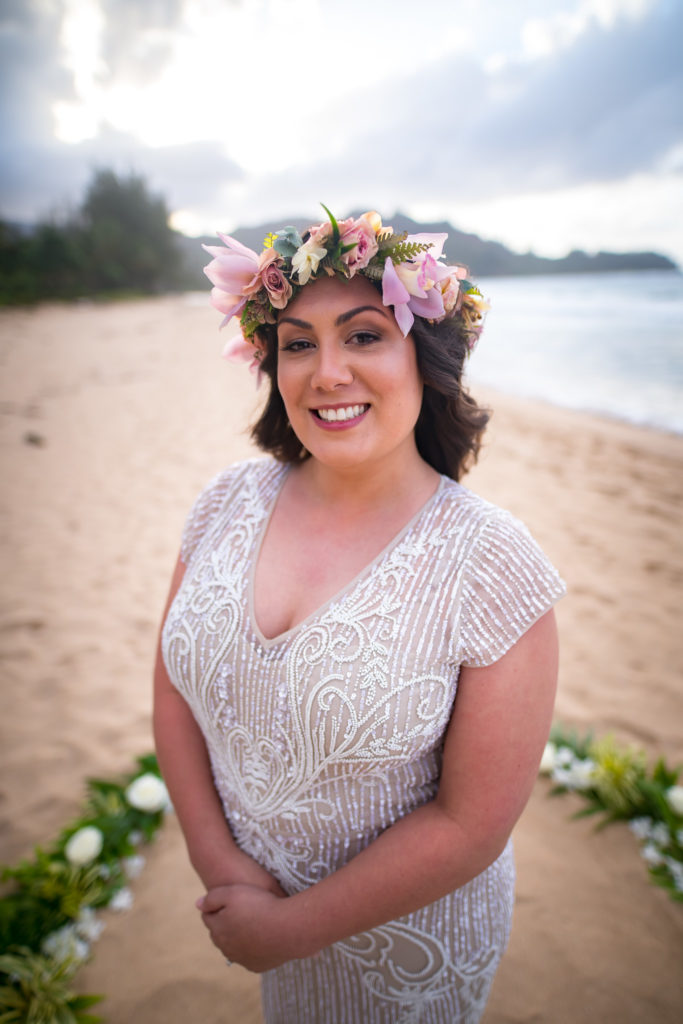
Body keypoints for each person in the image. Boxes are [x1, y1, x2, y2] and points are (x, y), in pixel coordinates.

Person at [153, 207, 566, 1023]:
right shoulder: (223, 504)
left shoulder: (490, 564)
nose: (326, 373)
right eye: (297, 342)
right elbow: (173, 693)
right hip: (252, 903)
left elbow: (469, 824)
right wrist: (221, 867)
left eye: (364, 335)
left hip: (408, 952)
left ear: (427, 356)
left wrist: (288, 928)